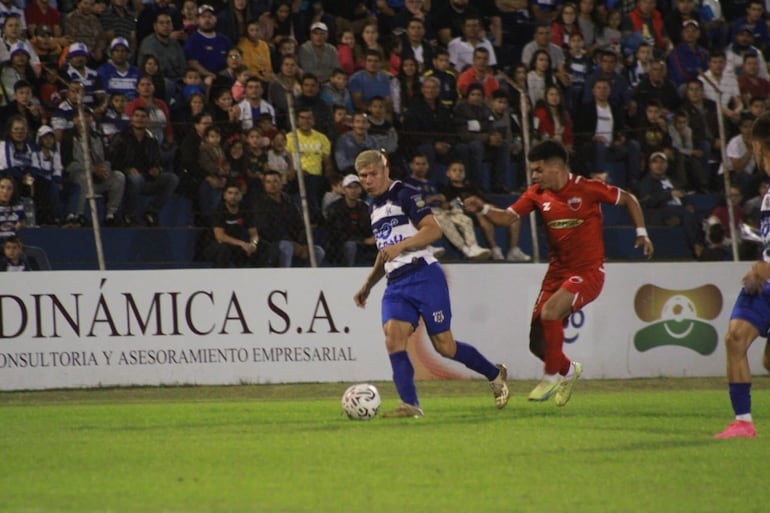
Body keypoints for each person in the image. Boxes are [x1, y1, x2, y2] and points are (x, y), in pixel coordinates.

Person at [464, 140, 653, 406]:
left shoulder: (588, 188)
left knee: (551, 312)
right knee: (536, 344)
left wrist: (642, 233)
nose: (534, 176)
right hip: (556, 274)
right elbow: (506, 219)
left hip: (588, 272)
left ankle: (551, 376)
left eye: (538, 170)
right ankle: (568, 370)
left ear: (556, 168)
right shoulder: (536, 194)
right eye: (532, 171)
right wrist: (482, 208)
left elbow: (630, 199)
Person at [352, 149, 509, 418]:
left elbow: (433, 229)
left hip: (424, 276)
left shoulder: (405, 193)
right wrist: (368, 285)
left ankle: (494, 373)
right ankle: (410, 405)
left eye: (372, 174)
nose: (368, 180)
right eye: (363, 176)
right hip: (396, 284)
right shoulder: (373, 207)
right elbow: (385, 250)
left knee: (444, 346)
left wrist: (402, 245)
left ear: (385, 168)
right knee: (393, 337)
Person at [714, 112, 770, 439]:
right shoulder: (766, 197)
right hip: (764, 285)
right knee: (735, 339)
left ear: (760, 147)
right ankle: (743, 422)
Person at [108, 106, 179, 226]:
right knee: (136, 179)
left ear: (148, 120)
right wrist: (126, 169)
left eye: (143, 116)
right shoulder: (121, 137)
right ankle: (129, 215)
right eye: (136, 116)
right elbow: (112, 160)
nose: (139, 119)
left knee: (172, 179)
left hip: (146, 179)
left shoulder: (152, 140)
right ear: (132, 119)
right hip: (127, 179)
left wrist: (156, 169)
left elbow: (157, 161)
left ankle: (152, 211)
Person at [64, 109, 125, 227]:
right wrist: (92, 169)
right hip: (76, 176)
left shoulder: (97, 136)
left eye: (87, 116)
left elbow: (107, 158)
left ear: (91, 119)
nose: (84, 119)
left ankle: (110, 215)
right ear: (74, 120)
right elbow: (68, 164)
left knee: (118, 176)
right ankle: (79, 215)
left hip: (97, 178)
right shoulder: (68, 137)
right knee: (83, 176)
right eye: (81, 116)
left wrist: (104, 169)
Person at [254, 170, 325, 267]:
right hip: (271, 245)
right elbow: (265, 231)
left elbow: (299, 224)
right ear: (264, 185)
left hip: (294, 242)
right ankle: (285, 278)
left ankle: (307, 278)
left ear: (281, 183)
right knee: (286, 246)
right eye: (268, 182)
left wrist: (301, 244)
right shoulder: (260, 204)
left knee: (318, 251)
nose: (272, 185)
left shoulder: (288, 201)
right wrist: (291, 243)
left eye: (275, 181)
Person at [204, 181, 269, 268]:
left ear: (241, 196)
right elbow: (220, 236)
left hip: (236, 245)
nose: (233, 197)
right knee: (224, 250)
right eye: (230, 193)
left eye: (236, 193)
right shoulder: (219, 210)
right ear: (224, 195)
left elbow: (254, 233)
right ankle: (220, 278)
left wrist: (253, 244)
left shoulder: (245, 209)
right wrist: (242, 244)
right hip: (215, 245)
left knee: (262, 247)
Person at [324, 174, 377, 266]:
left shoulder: (364, 208)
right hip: (338, 247)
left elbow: (369, 228)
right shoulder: (335, 208)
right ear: (344, 190)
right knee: (350, 246)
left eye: (356, 187)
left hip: (362, 244)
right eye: (349, 187)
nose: (353, 190)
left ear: (360, 189)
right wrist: (364, 240)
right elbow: (337, 234)